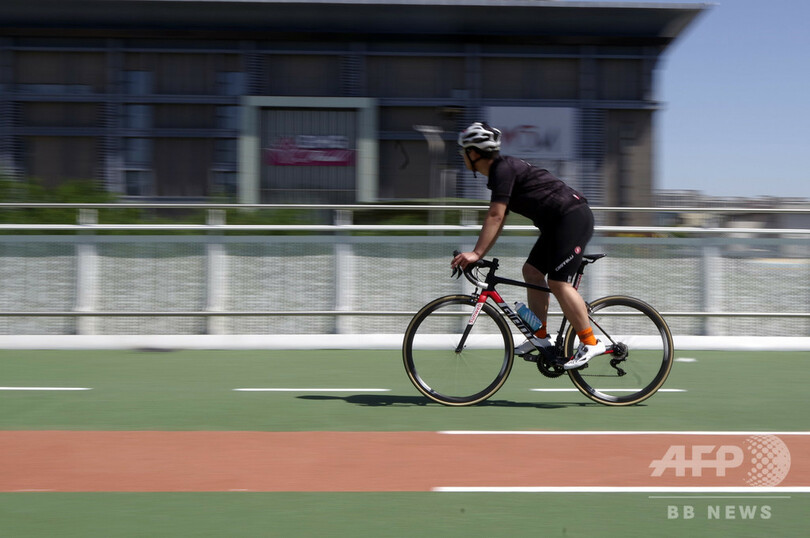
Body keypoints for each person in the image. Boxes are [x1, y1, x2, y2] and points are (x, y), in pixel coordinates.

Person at [451, 122, 605, 370]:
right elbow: (499, 218)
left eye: (463, 151)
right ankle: (540, 336)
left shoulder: (502, 169)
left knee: (557, 282)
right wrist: (480, 252)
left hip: (573, 217)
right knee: (532, 272)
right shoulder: (499, 173)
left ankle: (590, 341)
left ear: (475, 152)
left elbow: (495, 216)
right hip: (557, 225)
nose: (462, 156)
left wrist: (477, 253)